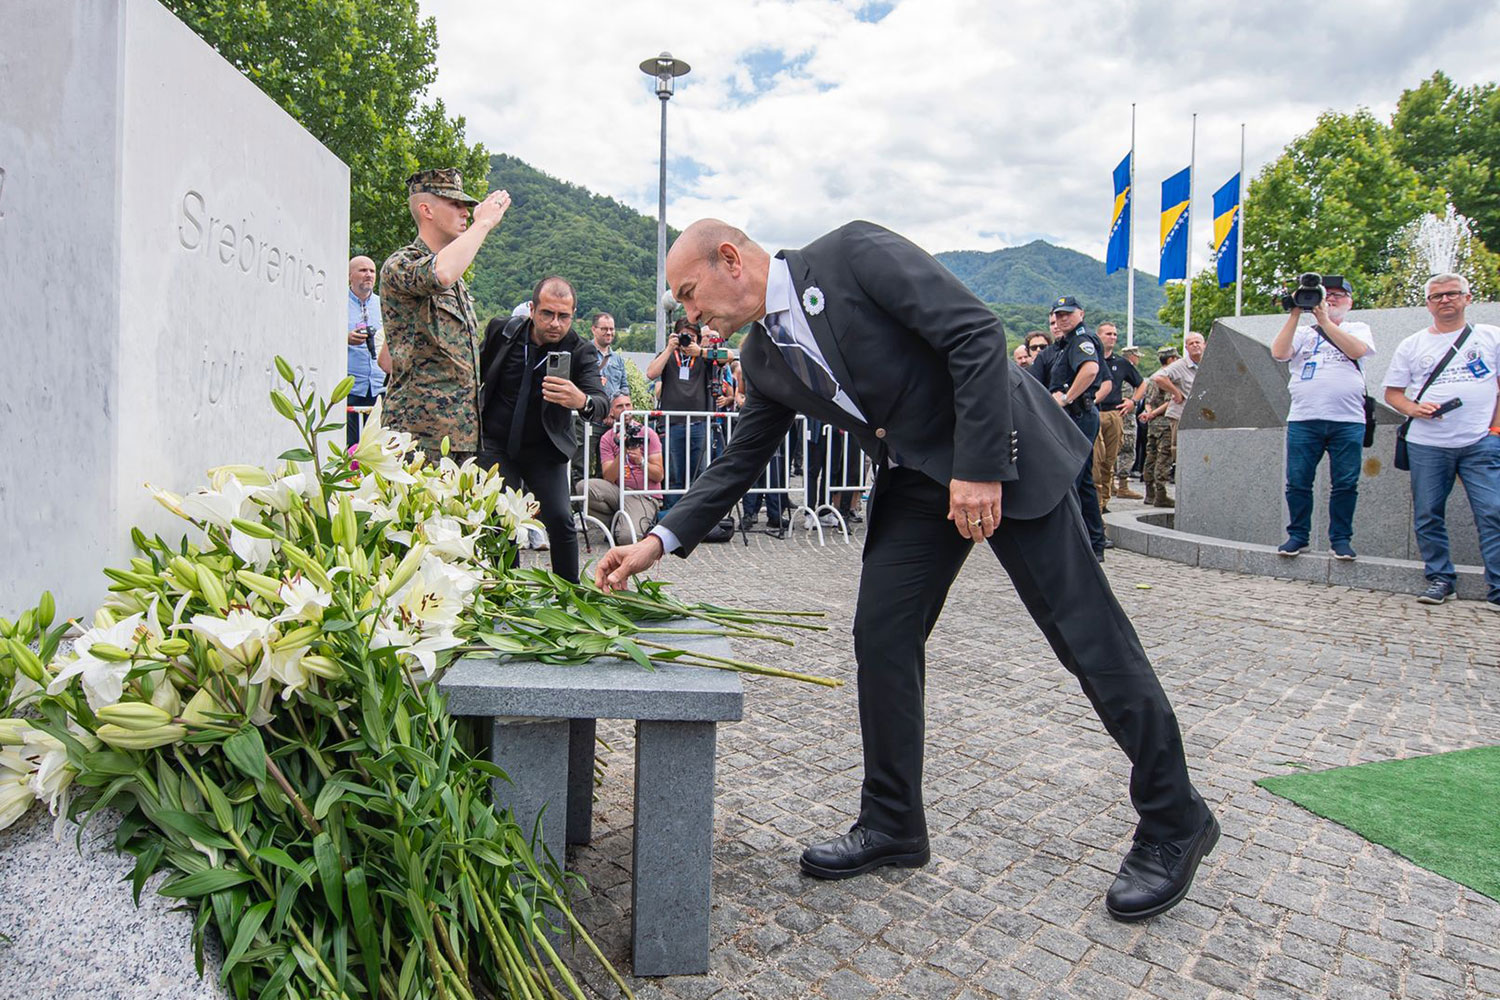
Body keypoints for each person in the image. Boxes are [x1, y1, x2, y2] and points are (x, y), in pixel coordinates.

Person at [595, 219, 1218, 923]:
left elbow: (976, 334)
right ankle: (893, 822)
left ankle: (1175, 818)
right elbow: (740, 461)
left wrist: (982, 469)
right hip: (919, 481)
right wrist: (657, 542)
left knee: (1086, 636)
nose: (688, 313)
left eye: (687, 292)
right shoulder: (763, 356)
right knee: (882, 637)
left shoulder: (852, 255)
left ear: (730, 260)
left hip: (1000, 450)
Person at [476, 276, 609, 583]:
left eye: (564, 316)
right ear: (532, 309)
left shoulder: (580, 351)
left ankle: (569, 595)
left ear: (573, 315)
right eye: (547, 314)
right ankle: (504, 593)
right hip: (495, 441)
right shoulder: (503, 331)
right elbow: (473, 370)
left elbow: (600, 401)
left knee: (561, 520)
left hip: (544, 449)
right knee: (502, 519)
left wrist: (582, 399)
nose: (555, 323)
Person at [1381, 273, 1500, 608]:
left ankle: (1498, 586)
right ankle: (1439, 578)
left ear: (1467, 297)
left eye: (1452, 294)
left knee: (1493, 511)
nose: (1445, 300)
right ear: (1428, 304)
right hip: (1428, 444)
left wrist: (1495, 432)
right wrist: (1415, 409)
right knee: (1428, 513)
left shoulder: (1491, 337)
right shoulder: (1413, 344)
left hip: (1480, 443)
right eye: (1437, 296)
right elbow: (1392, 393)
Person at [380, 169, 510, 461]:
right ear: (426, 209)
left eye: (466, 205)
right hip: (416, 437)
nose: (465, 212)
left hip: (460, 435)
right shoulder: (401, 264)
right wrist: (485, 222)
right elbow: (441, 273)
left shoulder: (458, 282)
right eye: (454, 204)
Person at [1269, 275, 1375, 559]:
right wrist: (1295, 311)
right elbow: (1279, 352)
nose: (1332, 298)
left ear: (1350, 302)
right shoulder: (1304, 332)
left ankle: (1340, 538)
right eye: (1327, 294)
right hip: (1305, 418)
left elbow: (1357, 350)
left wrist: (1326, 321)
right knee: (1298, 480)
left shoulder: (1358, 328)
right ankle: (1297, 535)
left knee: (1345, 482)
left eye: (1340, 295)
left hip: (1348, 420)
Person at [1047, 297, 1112, 559]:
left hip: (1077, 415)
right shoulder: (1068, 341)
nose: (1062, 319)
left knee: (1071, 479)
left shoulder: (1080, 340)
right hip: (1080, 414)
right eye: (1058, 315)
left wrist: (1066, 398)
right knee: (1083, 481)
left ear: (1081, 314)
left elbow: (1090, 369)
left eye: (1067, 314)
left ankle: (1074, 545)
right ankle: (1093, 544)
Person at [646, 318, 714, 511]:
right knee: (674, 475)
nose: (687, 340)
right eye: (684, 335)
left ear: (698, 338)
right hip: (672, 423)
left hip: (699, 423)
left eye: (691, 336)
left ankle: (696, 516)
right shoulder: (669, 355)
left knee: (699, 474)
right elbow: (651, 373)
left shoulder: (704, 356)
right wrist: (669, 348)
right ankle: (672, 518)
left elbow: (730, 357)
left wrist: (700, 351)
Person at [579, 394, 664, 543]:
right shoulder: (607, 437)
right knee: (583, 488)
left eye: (628, 405)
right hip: (619, 492)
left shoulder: (648, 433)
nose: (625, 410)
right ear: (611, 411)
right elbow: (609, 477)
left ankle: (631, 525)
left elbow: (659, 476)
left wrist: (641, 461)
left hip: (644, 495)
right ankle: (615, 524)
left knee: (626, 538)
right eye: (620, 406)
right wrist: (622, 451)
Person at [1148, 332, 1206, 507]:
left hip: (1201, 417)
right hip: (1180, 416)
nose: (1195, 345)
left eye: (1198, 342)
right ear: (1186, 348)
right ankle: (1163, 494)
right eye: (1191, 343)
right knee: (1176, 455)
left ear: (1204, 345)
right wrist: (1175, 392)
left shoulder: (1208, 363)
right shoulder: (1180, 366)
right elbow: (1157, 377)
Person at [1093, 322, 1143, 510]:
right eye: (1108, 334)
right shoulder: (1090, 358)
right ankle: (1096, 501)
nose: (1112, 337)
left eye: (1114, 334)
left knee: (1109, 460)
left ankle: (1104, 500)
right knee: (1096, 460)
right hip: (1094, 411)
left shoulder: (1121, 363)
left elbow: (1141, 383)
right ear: (1098, 336)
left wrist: (1133, 401)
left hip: (1114, 413)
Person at [346, 255, 391, 448]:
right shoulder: (337, 304)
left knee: (377, 446)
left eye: (372, 271)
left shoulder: (385, 305)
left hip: (379, 386)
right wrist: (345, 338)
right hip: (351, 386)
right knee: (350, 446)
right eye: (363, 270)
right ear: (349, 276)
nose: (368, 275)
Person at [1141, 346, 1179, 507]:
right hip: (1164, 422)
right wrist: (1154, 413)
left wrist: (1149, 413)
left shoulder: (1152, 378)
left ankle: (1149, 493)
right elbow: (1171, 401)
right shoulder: (1169, 378)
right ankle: (1161, 495)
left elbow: (1147, 401)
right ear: (1171, 360)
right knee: (1163, 459)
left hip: (1153, 424)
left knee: (1151, 457)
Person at [1113, 344, 1145, 500]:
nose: (1138, 359)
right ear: (1132, 356)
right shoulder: (1126, 373)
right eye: (1137, 355)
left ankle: (1112, 484)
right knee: (1126, 449)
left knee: (1113, 449)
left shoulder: (1116, 368)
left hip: (1117, 416)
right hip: (1125, 417)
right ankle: (1123, 485)